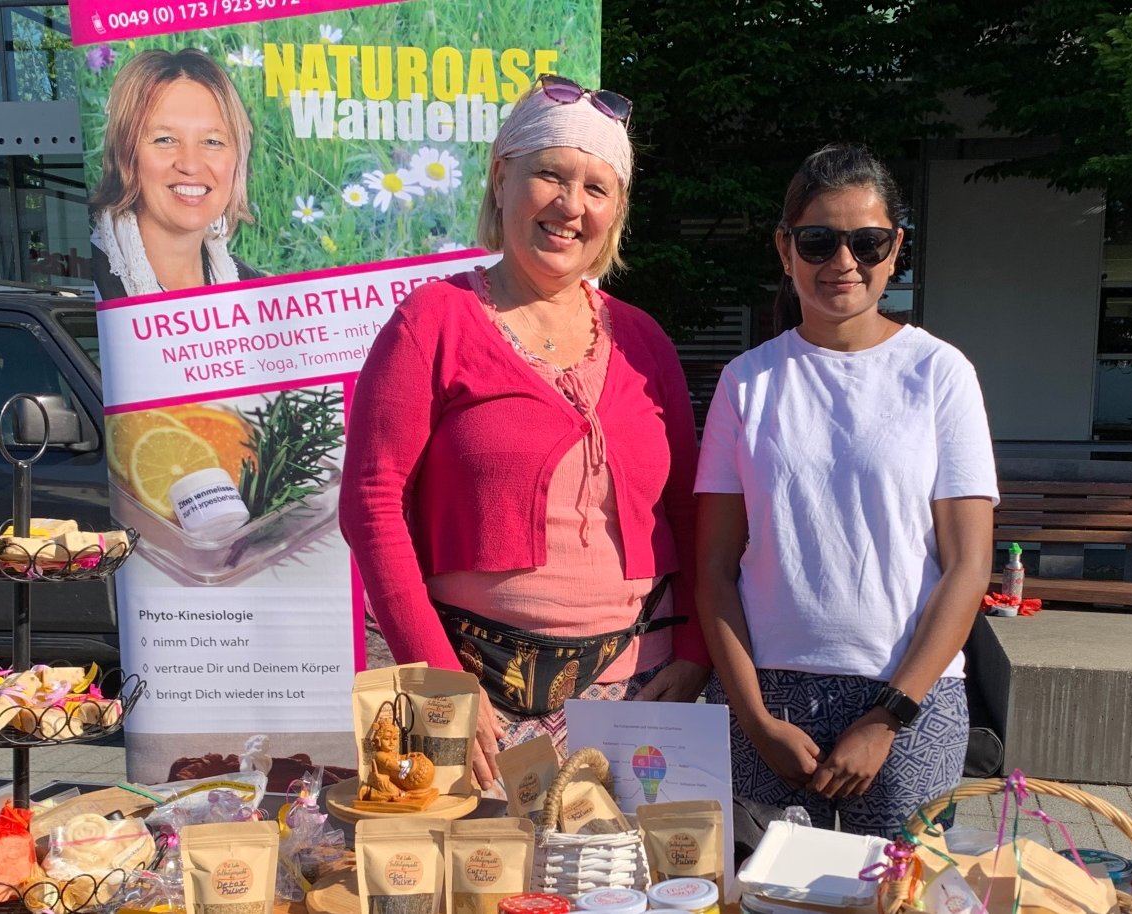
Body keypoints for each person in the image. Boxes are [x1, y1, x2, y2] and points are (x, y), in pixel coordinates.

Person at [340, 76, 711, 788]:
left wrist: (697, 648)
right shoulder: (432, 322)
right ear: (501, 179)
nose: (572, 205)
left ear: (616, 211)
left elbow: (690, 513)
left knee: (621, 864)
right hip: (469, 689)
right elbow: (371, 503)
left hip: (639, 689)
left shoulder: (645, 341)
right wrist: (437, 678)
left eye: (597, 188)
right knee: (468, 862)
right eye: (550, 175)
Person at [695, 144, 998, 838]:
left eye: (867, 242)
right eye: (818, 241)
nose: (843, 262)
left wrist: (889, 716)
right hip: (768, 693)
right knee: (764, 889)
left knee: (898, 888)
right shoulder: (746, 383)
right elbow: (714, 568)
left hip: (910, 695)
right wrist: (756, 719)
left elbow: (968, 565)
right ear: (785, 248)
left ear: (896, 250)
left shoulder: (939, 374)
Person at [88, 48, 262, 299]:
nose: (190, 165)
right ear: (126, 154)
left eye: (212, 142)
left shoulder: (254, 289)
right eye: (165, 139)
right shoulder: (90, 282)